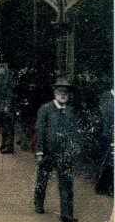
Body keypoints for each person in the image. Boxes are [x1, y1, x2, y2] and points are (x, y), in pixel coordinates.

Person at [34, 77, 79, 222]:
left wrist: (74, 150)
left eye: (66, 92)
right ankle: (38, 203)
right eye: (60, 91)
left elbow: (74, 133)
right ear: (54, 93)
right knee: (43, 179)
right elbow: (40, 131)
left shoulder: (71, 111)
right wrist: (39, 152)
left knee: (66, 184)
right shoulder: (45, 109)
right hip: (48, 153)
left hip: (64, 154)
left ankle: (67, 215)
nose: (63, 94)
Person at [0, 62, 15, 154]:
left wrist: (7, 105)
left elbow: (8, 94)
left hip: (5, 104)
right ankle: (4, 145)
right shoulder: (1, 79)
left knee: (8, 126)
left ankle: (8, 146)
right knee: (3, 126)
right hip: (1, 104)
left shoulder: (6, 80)